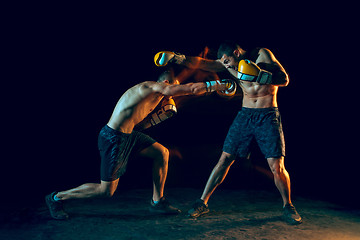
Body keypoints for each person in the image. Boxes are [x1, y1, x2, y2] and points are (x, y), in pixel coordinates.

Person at [45, 70, 235, 220]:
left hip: (129, 135)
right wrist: (217, 85)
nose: (174, 95)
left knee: (162, 153)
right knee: (106, 191)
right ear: (166, 83)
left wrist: (157, 119)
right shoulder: (150, 87)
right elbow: (191, 89)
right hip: (113, 138)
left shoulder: (153, 99)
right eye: (174, 88)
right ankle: (56, 198)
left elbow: (139, 124)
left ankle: (157, 201)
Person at [154, 41, 302, 224]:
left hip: (268, 115)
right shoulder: (225, 63)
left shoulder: (262, 55)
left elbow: (284, 79)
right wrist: (177, 58)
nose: (227, 66)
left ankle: (288, 206)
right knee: (224, 159)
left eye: (228, 61)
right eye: (224, 63)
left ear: (237, 52)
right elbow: (200, 63)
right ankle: (202, 202)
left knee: (276, 166)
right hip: (245, 115)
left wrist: (261, 76)